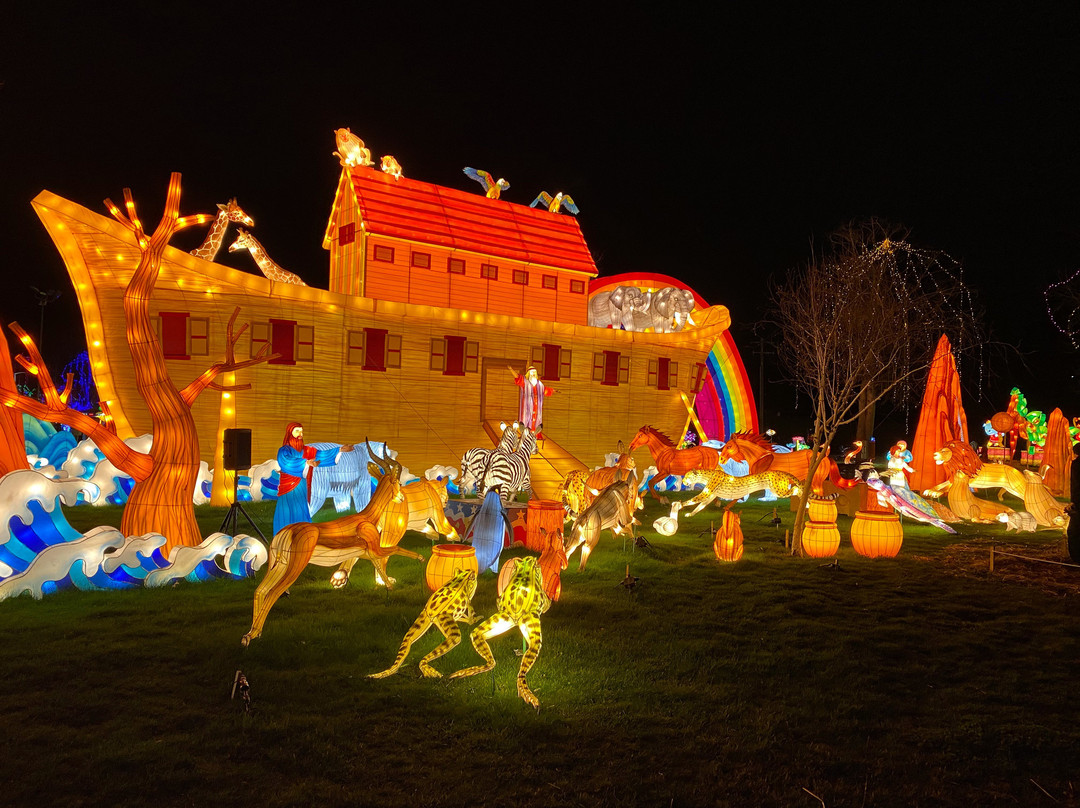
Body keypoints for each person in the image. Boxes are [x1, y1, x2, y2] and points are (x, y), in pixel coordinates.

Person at [273, 422, 353, 535]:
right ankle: (282, 537)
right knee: (286, 511)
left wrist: (339, 450)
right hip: (288, 488)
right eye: (297, 431)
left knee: (301, 509)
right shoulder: (284, 451)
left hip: (301, 486)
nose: (300, 434)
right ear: (290, 433)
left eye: (301, 431)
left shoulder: (307, 450)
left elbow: (321, 455)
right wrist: (306, 463)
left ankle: (302, 536)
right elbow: (286, 462)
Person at [508, 365, 555, 433]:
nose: (533, 374)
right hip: (527, 408)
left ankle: (535, 433)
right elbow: (518, 377)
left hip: (536, 408)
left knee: (536, 422)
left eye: (534, 372)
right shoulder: (525, 382)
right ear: (528, 373)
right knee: (526, 422)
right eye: (531, 372)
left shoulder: (539, 384)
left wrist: (552, 390)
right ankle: (525, 432)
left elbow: (544, 390)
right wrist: (511, 369)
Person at [1067, 442, 1080, 562]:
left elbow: (1076, 484)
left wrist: (1074, 501)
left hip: (1078, 502)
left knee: (1073, 531)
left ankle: (1076, 559)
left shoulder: (1076, 465)